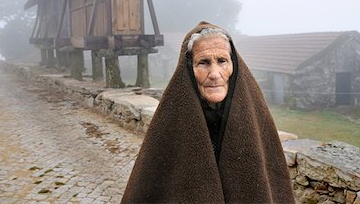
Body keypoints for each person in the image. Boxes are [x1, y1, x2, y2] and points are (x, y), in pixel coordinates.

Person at [122, 21, 295, 203]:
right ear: (189, 68)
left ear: (233, 65)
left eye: (222, 61)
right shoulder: (171, 120)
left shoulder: (254, 115)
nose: (214, 73)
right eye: (204, 63)